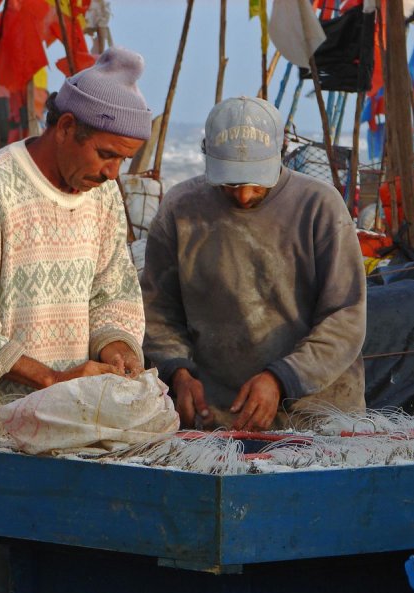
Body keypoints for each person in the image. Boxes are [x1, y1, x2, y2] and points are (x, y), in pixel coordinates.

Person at [0, 47, 152, 593]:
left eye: (123, 161)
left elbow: (114, 292)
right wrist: (53, 381)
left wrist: (117, 345)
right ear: (66, 126)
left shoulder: (102, 199)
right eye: (105, 155)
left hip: (65, 446)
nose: (111, 172)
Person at [141, 96, 366, 432]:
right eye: (230, 183)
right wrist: (178, 372)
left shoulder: (320, 207)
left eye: (256, 182)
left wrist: (282, 378)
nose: (244, 195)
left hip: (318, 418)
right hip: (218, 419)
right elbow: (156, 312)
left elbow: (346, 317)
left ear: (282, 151)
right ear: (207, 155)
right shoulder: (180, 210)